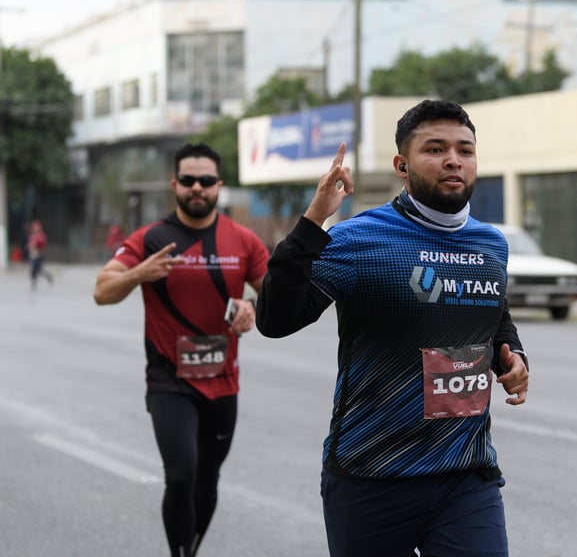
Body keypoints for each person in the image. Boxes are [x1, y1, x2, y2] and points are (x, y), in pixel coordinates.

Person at [256, 99, 529, 557]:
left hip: (465, 474)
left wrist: (513, 353)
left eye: (465, 150)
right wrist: (312, 222)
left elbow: (490, 310)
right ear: (401, 165)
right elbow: (275, 320)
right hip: (372, 475)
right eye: (435, 149)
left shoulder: (491, 244)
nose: (452, 160)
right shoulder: (359, 239)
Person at [93, 142, 269, 557]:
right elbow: (102, 291)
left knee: (208, 477)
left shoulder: (242, 240)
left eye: (205, 181)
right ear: (174, 183)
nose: (196, 188)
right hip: (169, 381)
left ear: (218, 186)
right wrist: (140, 272)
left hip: (223, 381)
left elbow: (278, 299)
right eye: (188, 180)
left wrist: (251, 306)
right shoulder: (151, 237)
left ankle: (189, 550)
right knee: (181, 476)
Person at [27, 219, 54, 289]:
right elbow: (30, 244)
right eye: (34, 227)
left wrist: (35, 244)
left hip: (39, 254)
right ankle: (34, 282)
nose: (35, 228)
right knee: (33, 269)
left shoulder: (41, 235)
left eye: (36, 227)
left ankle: (47, 276)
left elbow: (41, 244)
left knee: (37, 269)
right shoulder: (32, 235)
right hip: (33, 254)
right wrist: (30, 246)